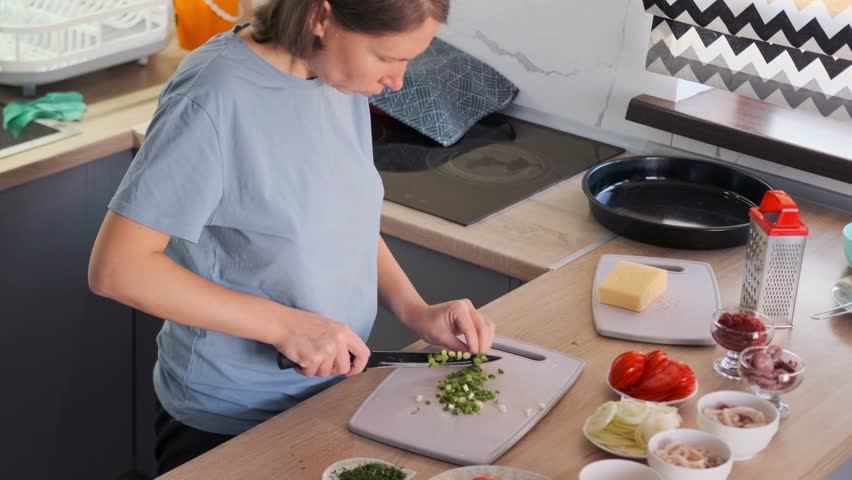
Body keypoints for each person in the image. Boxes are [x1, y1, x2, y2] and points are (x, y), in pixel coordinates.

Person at [88, 0, 496, 475]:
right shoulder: (213, 96)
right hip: (229, 420)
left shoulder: (335, 77)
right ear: (321, 18)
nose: (398, 81)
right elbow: (119, 269)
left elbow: (345, 220)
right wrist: (287, 327)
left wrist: (414, 310)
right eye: (387, 58)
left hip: (331, 396)